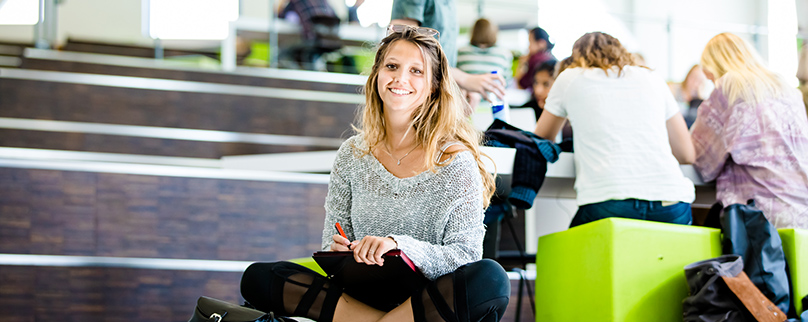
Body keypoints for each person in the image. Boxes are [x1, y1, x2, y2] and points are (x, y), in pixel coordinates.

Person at [240, 25, 511, 322]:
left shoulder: (455, 161)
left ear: (434, 85)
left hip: (426, 301)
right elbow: (332, 240)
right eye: (392, 66)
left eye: (416, 71)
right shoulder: (352, 154)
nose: (400, 78)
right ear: (377, 76)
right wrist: (340, 248)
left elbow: (465, 257)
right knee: (258, 278)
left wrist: (399, 246)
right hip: (361, 294)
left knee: (490, 279)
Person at [533, 32, 696, 228]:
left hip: (610, 200)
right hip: (673, 201)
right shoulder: (652, 77)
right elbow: (687, 154)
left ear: (578, 57)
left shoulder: (571, 77)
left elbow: (540, 138)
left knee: (564, 256)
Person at [691, 32, 808, 229]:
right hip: (802, 209)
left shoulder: (728, 86)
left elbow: (700, 161)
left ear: (713, 68)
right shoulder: (785, 87)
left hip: (760, 218)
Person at [390, 0, 506, 112]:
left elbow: (444, 56)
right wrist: (464, 79)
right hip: (416, 103)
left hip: (438, 101)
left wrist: (455, 83)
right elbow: (402, 52)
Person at [456, 18, 514, 110]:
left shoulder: (461, 52)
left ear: (473, 32)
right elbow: (507, 83)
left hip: (467, 107)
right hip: (495, 107)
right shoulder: (504, 54)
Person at [516, 27, 556, 91]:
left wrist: (522, 63)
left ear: (541, 43)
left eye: (530, 42)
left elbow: (521, 84)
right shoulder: (551, 57)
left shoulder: (535, 59)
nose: (528, 47)